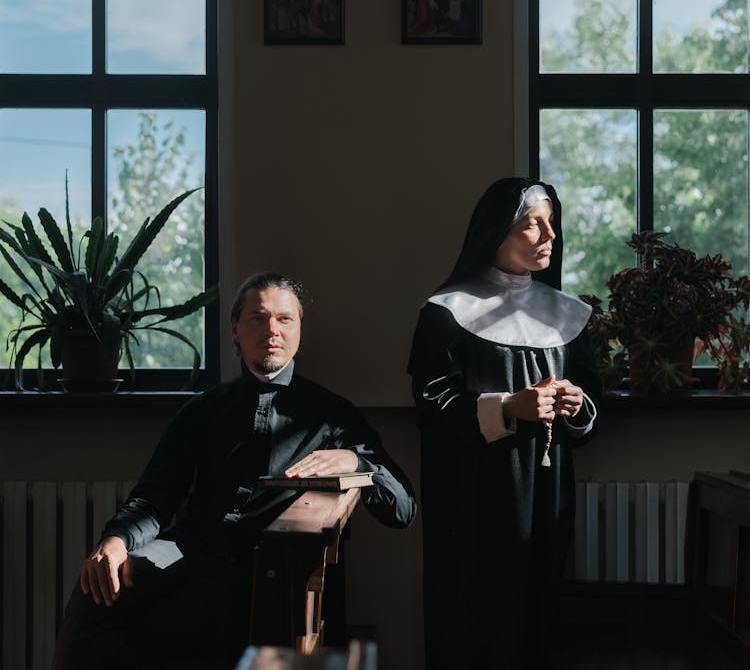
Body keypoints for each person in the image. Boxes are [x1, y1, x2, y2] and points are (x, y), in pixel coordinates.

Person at [53, 271, 416, 670]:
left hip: (273, 563)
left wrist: (356, 461)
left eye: (284, 319)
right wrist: (118, 539)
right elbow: (154, 497)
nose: (271, 330)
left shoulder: (332, 415)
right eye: (258, 318)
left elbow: (401, 509)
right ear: (235, 330)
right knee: (99, 587)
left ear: (299, 330)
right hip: (189, 550)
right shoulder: (203, 409)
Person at [408, 177, 601, 670]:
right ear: (495, 232)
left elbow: (593, 405)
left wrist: (577, 408)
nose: (548, 235)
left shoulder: (568, 315)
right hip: (473, 501)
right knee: (475, 621)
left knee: (539, 615)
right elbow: (433, 409)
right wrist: (508, 408)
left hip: (547, 492)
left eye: (551, 223)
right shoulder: (446, 313)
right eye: (531, 224)